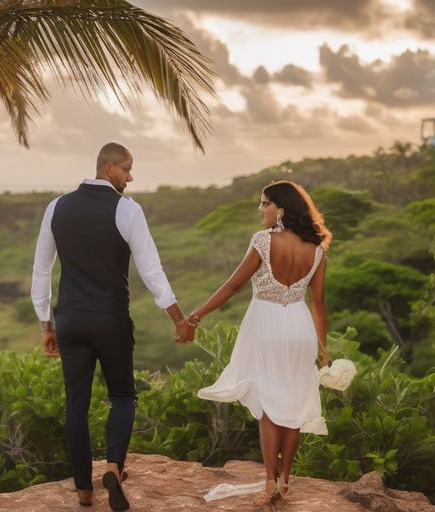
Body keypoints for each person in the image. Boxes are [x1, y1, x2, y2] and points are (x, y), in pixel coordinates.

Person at [31, 142, 189, 511]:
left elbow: (42, 270)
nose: (130, 177)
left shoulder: (56, 208)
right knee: (122, 396)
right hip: (110, 321)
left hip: (70, 320)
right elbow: (152, 271)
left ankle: (84, 491)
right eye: (127, 169)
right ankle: (114, 468)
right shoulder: (126, 210)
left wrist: (46, 324)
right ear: (108, 169)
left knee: (76, 404)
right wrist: (178, 318)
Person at [177, 180, 332, 506]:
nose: (259, 210)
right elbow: (318, 303)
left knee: (268, 409)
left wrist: (194, 316)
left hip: (266, 326)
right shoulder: (316, 250)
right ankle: (285, 482)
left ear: (282, 210)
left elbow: (232, 286)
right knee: (292, 407)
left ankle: (268, 482)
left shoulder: (263, 241)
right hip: (300, 328)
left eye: (264, 204)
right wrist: (322, 347)